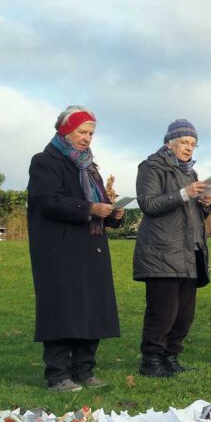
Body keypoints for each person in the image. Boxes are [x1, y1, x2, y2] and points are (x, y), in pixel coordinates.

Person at [27, 106, 125, 392]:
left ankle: (84, 370)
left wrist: (113, 214)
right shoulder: (45, 161)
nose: (87, 138)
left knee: (91, 309)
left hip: (91, 248)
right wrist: (90, 208)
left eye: (91, 133)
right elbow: (48, 200)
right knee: (62, 309)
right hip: (59, 250)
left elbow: (100, 203)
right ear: (65, 130)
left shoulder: (90, 166)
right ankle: (58, 374)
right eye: (82, 132)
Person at [132, 119, 211, 378]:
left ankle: (171, 357)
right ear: (170, 142)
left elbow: (191, 213)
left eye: (193, 144)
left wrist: (204, 204)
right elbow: (149, 204)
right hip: (161, 251)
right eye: (184, 142)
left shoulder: (191, 172)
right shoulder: (150, 167)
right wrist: (184, 193)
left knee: (184, 314)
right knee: (162, 312)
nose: (189, 148)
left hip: (190, 252)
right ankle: (151, 360)